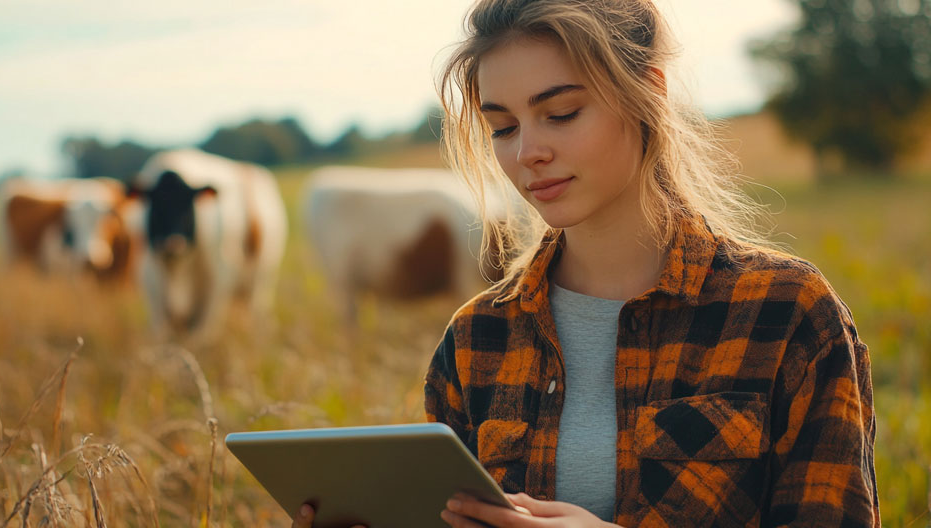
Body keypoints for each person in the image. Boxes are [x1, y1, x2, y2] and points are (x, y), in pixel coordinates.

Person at [293, 0, 878, 526]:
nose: (527, 152)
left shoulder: (789, 315)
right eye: (502, 126)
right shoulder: (475, 339)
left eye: (563, 112)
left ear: (647, 90)